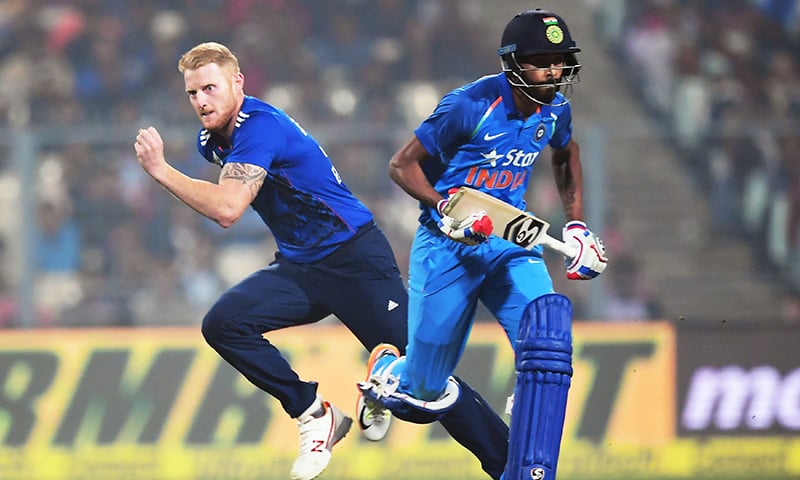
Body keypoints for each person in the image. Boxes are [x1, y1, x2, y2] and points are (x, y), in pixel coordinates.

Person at [133, 42, 509, 480]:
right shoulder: (211, 141)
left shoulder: (260, 127)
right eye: (192, 93)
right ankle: (315, 414)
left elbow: (227, 209)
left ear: (238, 82)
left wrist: (160, 170)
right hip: (302, 267)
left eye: (210, 88)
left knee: (426, 382)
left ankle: (510, 463)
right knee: (223, 323)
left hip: (355, 260)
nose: (200, 101)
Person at [358, 10, 608, 479]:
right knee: (424, 396)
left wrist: (576, 225)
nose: (554, 72)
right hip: (447, 246)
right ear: (513, 63)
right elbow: (401, 165)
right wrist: (444, 208)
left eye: (560, 61)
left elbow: (566, 150)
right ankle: (388, 374)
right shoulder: (469, 104)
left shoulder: (555, 108)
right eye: (542, 62)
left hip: (510, 239)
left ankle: (530, 466)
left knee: (547, 340)